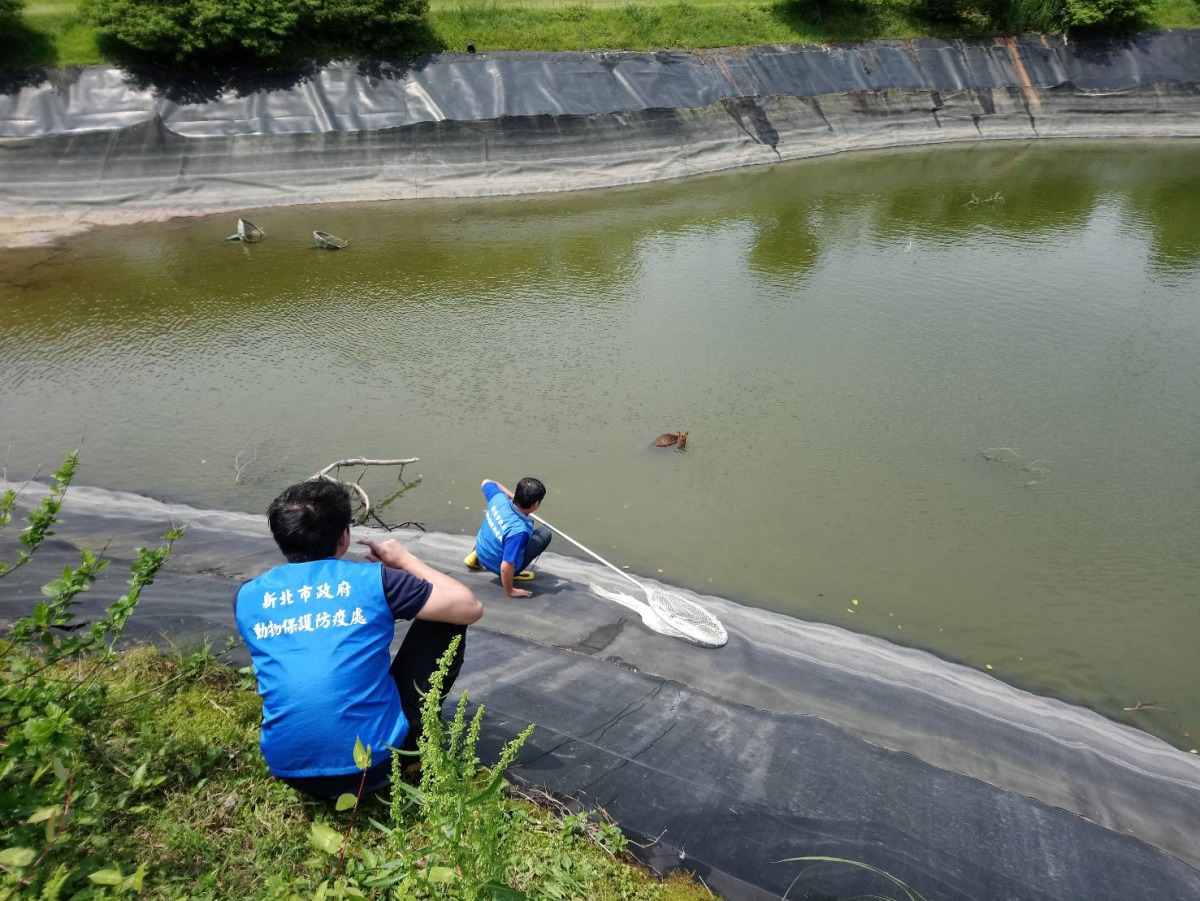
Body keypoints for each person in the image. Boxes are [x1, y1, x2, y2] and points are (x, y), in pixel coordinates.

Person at [234, 478, 483, 799]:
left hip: (287, 768)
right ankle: (411, 750)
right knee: (447, 621)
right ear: (344, 536)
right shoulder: (375, 580)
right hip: (374, 766)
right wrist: (404, 561)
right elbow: (469, 606)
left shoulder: (248, 596)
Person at [463, 477, 551, 599]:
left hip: (480, 549)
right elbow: (505, 567)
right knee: (545, 533)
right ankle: (513, 573)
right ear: (536, 504)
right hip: (498, 567)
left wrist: (513, 496)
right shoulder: (519, 531)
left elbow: (487, 482)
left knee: (495, 529)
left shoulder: (498, 498)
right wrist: (510, 591)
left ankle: (476, 557)